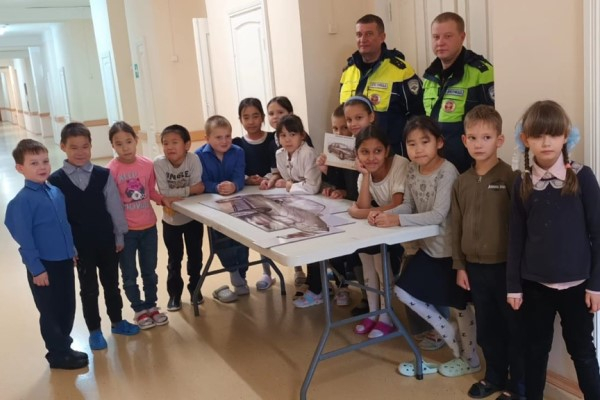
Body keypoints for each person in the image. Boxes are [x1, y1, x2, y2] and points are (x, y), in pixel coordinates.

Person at [371, 116, 478, 378]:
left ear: (439, 143)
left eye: (424, 142)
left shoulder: (447, 171)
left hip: (453, 252)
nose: (418, 149)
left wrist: (396, 220)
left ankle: (471, 358)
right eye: (411, 144)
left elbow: (438, 215)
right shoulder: (411, 169)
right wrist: (384, 214)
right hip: (429, 249)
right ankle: (448, 331)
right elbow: (409, 205)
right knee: (403, 290)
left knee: (460, 306)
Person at [507, 100, 600, 400]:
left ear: (565, 136)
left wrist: (596, 285)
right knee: (535, 351)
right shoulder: (521, 182)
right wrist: (513, 286)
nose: (546, 142)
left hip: (579, 286)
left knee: (583, 352)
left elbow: (598, 233)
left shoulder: (583, 177)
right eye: (538, 135)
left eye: (553, 134)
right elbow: (516, 238)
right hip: (534, 287)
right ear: (526, 139)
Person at [451, 106, 524, 399]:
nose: (478, 144)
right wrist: (460, 265)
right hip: (474, 269)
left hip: (506, 268)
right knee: (488, 328)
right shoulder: (462, 182)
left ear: (500, 140)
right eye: (472, 137)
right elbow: (456, 225)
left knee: (514, 328)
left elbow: (520, 227)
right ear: (464, 140)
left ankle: (518, 385)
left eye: (486, 137)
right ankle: (494, 376)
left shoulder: (511, 178)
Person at [48, 123, 140, 351]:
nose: (80, 152)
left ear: (91, 146)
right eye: (74, 147)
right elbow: (59, 219)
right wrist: (69, 247)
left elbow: (115, 207)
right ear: (62, 147)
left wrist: (119, 235)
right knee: (88, 289)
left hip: (107, 241)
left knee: (112, 284)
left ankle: (117, 322)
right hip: (80, 247)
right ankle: (94, 331)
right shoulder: (55, 181)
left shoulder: (103, 175)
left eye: (85, 146)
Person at [5, 139, 88, 369]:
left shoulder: (55, 192)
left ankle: (65, 346)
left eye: (45, 161)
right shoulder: (21, 202)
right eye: (34, 163)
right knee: (50, 310)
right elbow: (24, 239)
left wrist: (71, 250)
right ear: (20, 168)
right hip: (44, 266)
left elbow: (64, 225)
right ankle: (57, 354)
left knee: (67, 306)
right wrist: (36, 269)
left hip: (64, 260)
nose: (42, 167)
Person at [108, 121, 176, 329]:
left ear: (136, 140)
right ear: (113, 146)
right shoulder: (110, 170)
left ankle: (151, 306)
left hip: (148, 228)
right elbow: (111, 203)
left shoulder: (147, 164)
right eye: (119, 144)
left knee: (150, 270)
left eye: (129, 141)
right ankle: (138, 309)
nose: (125, 147)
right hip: (126, 232)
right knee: (129, 274)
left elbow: (151, 191)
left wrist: (164, 199)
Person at [347, 125, 409, 338]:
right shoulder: (364, 173)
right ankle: (373, 313)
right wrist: (365, 175)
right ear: (357, 154)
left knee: (381, 266)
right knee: (366, 259)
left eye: (377, 151)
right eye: (365, 152)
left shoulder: (400, 164)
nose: (371, 158)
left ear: (387, 150)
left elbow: (398, 204)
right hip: (383, 224)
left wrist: (359, 213)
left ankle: (386, 316)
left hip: (405, 226)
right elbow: (364, 203)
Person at [339, 14, 424, 157]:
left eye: (369, 34)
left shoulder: (401, 71)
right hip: (356, 156)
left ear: (382, 37)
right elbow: (342, 117)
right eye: (359, 34)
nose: (363, 39)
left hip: (392, 156)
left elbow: (418, 118)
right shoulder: (348, 72)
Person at [423, 12, 494, 174]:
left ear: (462, 37)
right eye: (435, 37)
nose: (440, 42)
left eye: (448, 36)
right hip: (435, 167)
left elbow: (491, 126)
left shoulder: (481, 72)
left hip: (469, 169)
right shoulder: (429, 76)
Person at [196, 115, 249, 303]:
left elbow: (240, 176)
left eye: (228, 136)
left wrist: (234, 185)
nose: (224, 141)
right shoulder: (199, 155)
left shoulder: (238, 151)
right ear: (207, 138)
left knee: (242, 239)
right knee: (222, 240)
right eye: (218, 137)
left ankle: (242, 274)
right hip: (213, 206)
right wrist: (216, 187)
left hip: (238, 203)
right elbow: (202, 181)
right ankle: (233, 271)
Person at [154, 124, 205, 312]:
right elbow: (164, 192)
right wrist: (189, 190)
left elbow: (199, 188)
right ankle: (174, 294)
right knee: (174, 259)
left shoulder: (193, 159)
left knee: (195, 256)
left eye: (174, 142)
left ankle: (195, 289)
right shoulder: (159, 163)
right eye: (165, 143)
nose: (169, 147)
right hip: (171, 221)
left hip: (193, 218)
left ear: (187, 145)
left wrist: (178, 193)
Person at [233, 98, 278, 291]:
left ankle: (299, 271)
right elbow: (236, 170)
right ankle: (267, 272)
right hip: (250, 196)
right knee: (261, 232)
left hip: (275, 191)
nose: (251, 121)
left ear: (262, 117)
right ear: (240, 119)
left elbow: (279, 166)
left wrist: (266, 178)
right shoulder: (237, 144)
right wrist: (246, 179)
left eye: (255, 116)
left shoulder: (273, 138)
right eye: (246, 117)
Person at [261, 114, 321, 194]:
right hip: (295, 195)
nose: (287, 140)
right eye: (283, 135)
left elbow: (312, 187)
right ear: (278, 138)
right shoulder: (280, 154)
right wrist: (268, 180)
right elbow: (287, 178)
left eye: (292, 134)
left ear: (302, 135)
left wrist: (289, 186)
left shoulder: (308, 154)